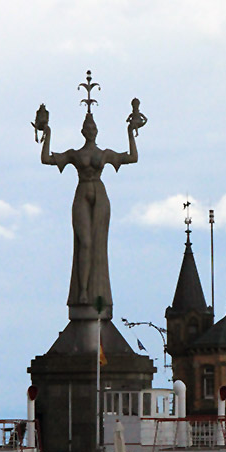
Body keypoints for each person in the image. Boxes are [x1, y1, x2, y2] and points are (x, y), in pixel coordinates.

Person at [39, 109, 143, 309]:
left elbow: (133, 157)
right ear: (82, 131)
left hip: (99, 193)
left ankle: (97, 290)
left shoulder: (104, 154)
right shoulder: (74, 154)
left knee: (98, 244)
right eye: (88, 127)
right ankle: (84, 291)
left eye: (93, 127)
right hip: (83, 190)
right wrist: (47, 132)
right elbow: (46, 159)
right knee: (85, 242)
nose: (91, 130)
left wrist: (131, 131)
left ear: (97, 130)